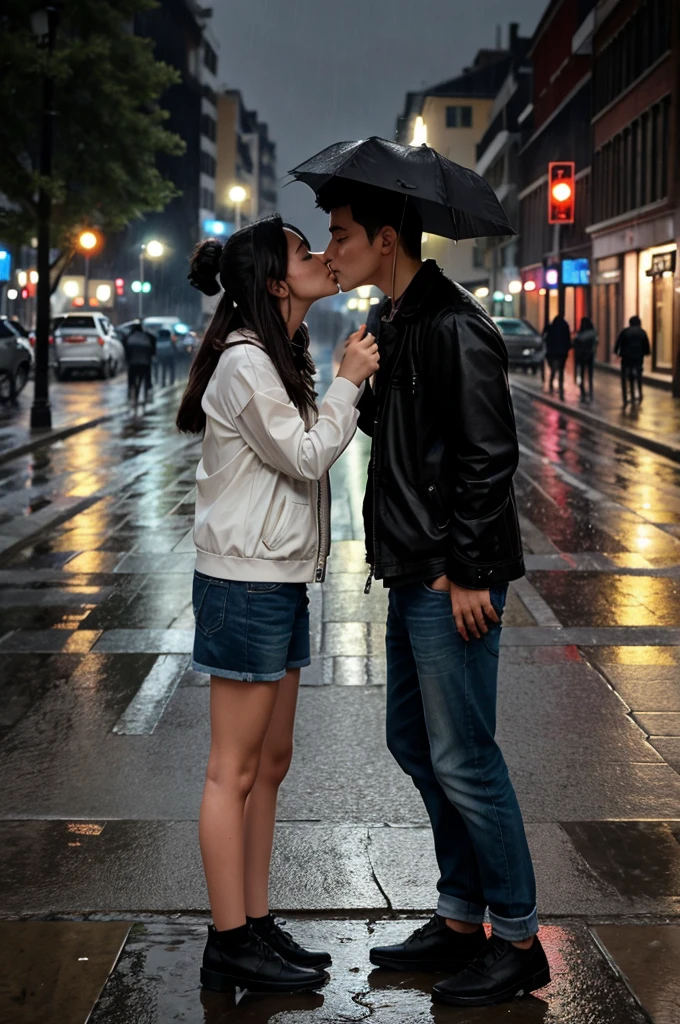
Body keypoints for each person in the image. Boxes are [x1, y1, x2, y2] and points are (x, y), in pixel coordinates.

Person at [318, 180, 550, 1008]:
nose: (330, 247)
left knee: (465, 755)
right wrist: (369, 377)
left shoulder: (456, 324)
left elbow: (490, 455)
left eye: (341, 234)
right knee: (414, 744)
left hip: (447, 575)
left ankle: (517, 938)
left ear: (387, 239)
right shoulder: (396, 321)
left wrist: (471, 571)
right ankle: (459, 918)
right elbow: (411, 435)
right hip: (409, 565)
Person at [176, 215, 379, 996]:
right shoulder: (246, 363)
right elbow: (304, 454)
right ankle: (230, 940)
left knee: (272, 763)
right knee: (232, 770)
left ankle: (255, 922)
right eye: (305, 251)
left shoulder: (278, 354)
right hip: (244, 583)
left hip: (278, 577)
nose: (325, 257)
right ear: (272, 280)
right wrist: (349, 380)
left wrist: (335, 378)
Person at [614, 315, 650, 407]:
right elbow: (646, 345)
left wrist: (617, 353)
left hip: (626, 357)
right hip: (638, 357)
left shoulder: (625, 332)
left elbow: (618, 343)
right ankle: (640, 393)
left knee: (624, 377)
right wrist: (646, 352)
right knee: (638, 375)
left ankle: (625, 398)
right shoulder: (642, 332)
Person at [123, 319, 155, 415]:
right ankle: (145, 392)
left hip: (133, 363)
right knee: (143, 379)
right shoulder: (147, 337)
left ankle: (131, 395)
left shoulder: (129, 338)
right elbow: (151, 351)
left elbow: (126, 351)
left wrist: (127, 360)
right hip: (144, 363)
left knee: (132, 380)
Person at [544, 314, 571, 400]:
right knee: (561, 370)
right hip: (562, 353)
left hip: (553, 353)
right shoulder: (565, 327)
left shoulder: (552, 328)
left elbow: (547, 339)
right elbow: (568, 340)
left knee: (554, 370)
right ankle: (560, 385)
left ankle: (551, 385)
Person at [573, 316, 597, 402]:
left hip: (582, 356)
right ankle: (590, 388)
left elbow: (576, 344)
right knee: (590, 374)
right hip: (590, 355)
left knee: (582, 372)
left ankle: (582, 388)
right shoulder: (592, 333)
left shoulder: (580, 334)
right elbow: (595, 343)